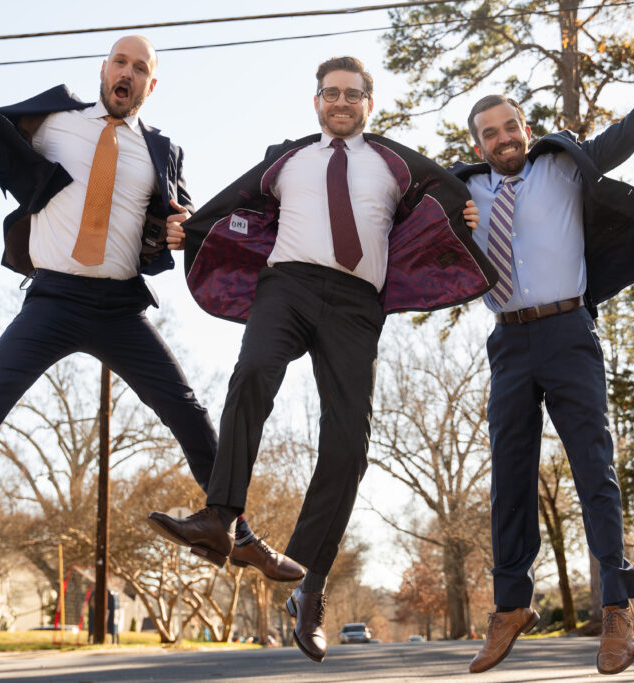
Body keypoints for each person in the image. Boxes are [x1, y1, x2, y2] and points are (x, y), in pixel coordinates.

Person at [0, 35, 301, 586]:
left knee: (188, 411)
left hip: (119, 307)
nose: (128, 74)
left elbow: (177, 220)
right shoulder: (54, 120)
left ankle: (238, 533)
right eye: (120, 62)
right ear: (104, 69)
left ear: (150, 85)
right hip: (53, 301)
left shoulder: (161, 151)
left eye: (140, 69)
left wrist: (180, 232)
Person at [147, 56, 497, 663]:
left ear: (368, 102)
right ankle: (221, 516)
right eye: (331, 94)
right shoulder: (288, 159)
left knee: (348, 443)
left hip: (357, 305)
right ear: (316, 102)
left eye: (352, 94)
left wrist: (465, 211)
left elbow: (451, 187)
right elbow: (223, 204)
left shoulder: (394, 160)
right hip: (286, 287)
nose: (341, 102)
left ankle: (308, 584)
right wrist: (186, 230)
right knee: (253, 371)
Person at [454, 28, 634, 676]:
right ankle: (510, 606)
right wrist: (449, 217)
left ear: (524, 128)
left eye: (511, 127)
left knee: (594, 469)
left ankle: (617, 603)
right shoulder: (461, 193)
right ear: (477, 144)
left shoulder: (564, 165)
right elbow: (390, 205)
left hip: (567, 333)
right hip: (507, 341)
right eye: (490, 134)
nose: (503, 139)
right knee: (508, 476)